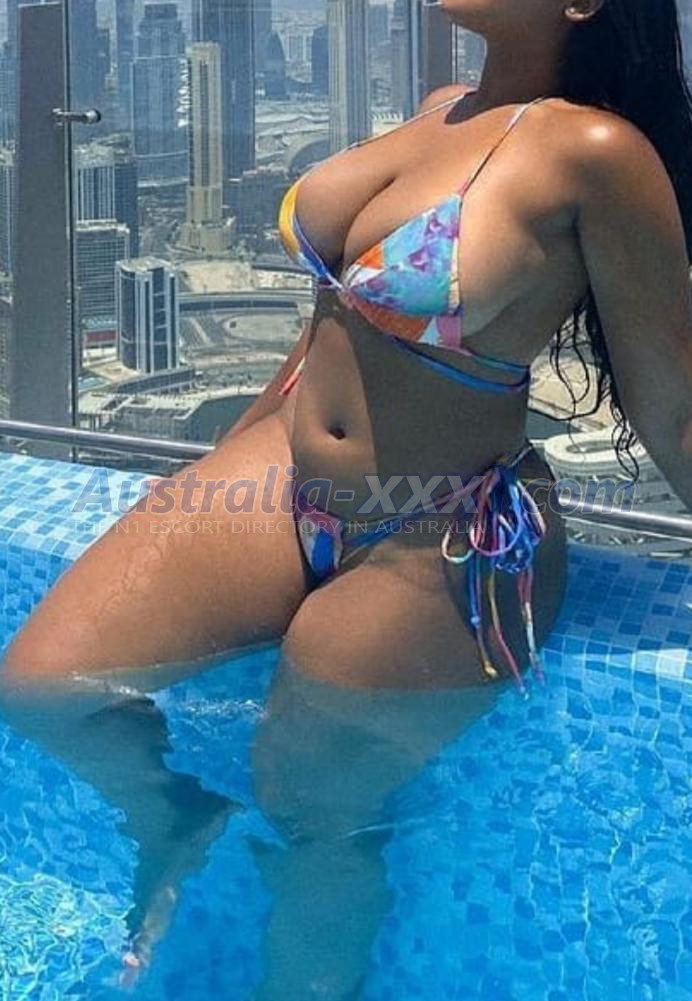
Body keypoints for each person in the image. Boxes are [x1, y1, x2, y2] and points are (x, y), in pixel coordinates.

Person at [2, 0, 692, 996]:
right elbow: (330, 327)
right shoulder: (443, 107)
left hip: (445, 529)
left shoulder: (594, 153)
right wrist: (218, 468)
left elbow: (674, 407)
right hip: (282, 482)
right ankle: (174, 816)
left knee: (315, 817)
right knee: (43, 685)